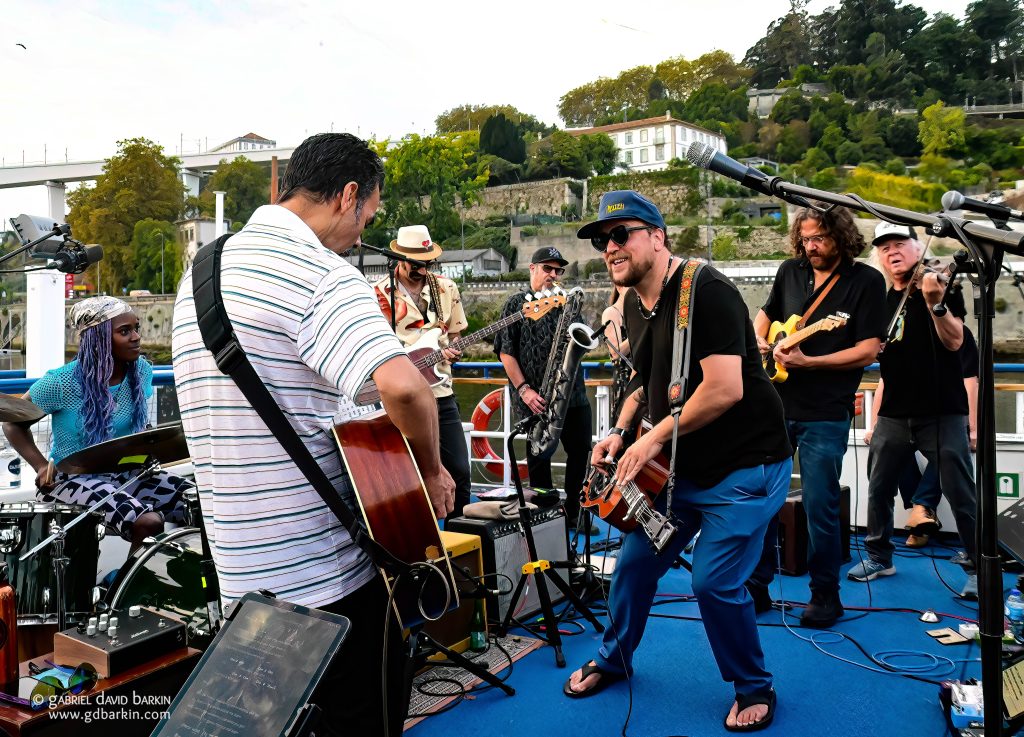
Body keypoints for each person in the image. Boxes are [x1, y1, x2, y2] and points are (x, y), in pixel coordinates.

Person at [172, 132, 455, 737]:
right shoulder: (321, 274)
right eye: (366, 216)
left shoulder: (200, 275)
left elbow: (280, 392)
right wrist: (431, 473)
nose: (360, 234)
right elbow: (406, 389)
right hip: (326, 580)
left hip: (241, 574)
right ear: (348, 195)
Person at [564, 190, 793, 732]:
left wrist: (652, 441)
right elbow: (645, 384)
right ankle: (614, 658)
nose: (610, 247)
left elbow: (725, 388)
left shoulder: (707, 290)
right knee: (633, 565)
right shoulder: (634, 306)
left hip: (746, 467)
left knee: (713, 583)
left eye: (621, 234)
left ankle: (753, 685)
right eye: (603, 241)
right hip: (683, 471)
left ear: (657, 236)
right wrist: (620, 432)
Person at [746, 204, 888, 628]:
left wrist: (810, 363)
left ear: (841, 237)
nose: (811, 247)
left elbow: (868, 349)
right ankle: (756, 586)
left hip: (825, 411)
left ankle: (825, 594)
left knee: (820, 505)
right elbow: (765, 316)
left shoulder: (866, 281)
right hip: (776, 405)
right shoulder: (789, 271)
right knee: (760, 500)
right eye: (805, 239)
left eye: (820, 238)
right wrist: (759, 340)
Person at [3, 296, 189, 559]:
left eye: (136, 328)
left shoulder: (141, 372)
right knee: (147, 522)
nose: (136, 337)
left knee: (199, 501)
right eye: (125, 331)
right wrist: (41, 466)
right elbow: (13, 421)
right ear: (98, 339)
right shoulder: (61, 382)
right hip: (71, 479)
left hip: (127, 473)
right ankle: (123, 584)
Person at [849, 223, 977, 599]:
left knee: (962, 494)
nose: (892, 251)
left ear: (918, 248)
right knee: (878, 489)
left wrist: (935, 303)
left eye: (900, 244)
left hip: (943, 412)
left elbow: (955, 342)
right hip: (894, 414)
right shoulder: (882, 301)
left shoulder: (942, 288)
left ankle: (976, 566)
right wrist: (875, 420)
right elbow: (884, 368)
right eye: (885, 247)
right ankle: (879, 556)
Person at [493, 246, 595, 534]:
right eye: (547, 268)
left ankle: (576, 514)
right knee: (539, 460)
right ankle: (547, 517)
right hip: (534, 399)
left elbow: (582, 339)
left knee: (581, 455)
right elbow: (505, 351)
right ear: (532, 269)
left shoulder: (566, 302)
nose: (553, 274)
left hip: (572, 394)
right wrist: (524, 390)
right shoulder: (516, 303)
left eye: (557, 270)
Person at [374, 224, 471, 519]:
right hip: (400, 397)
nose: (422, 269)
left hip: (440, 391)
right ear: (399, 259)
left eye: (427, 263)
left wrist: (455, 349)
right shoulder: (377, 293)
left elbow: (455, 333)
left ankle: (460, 536)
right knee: (406, 478)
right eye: (416, 264)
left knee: (460, 471)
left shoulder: (446, 288)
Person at [896, 324, 978, 548]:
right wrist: (875, 424)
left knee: (947, 451)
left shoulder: (959, 333)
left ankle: (921, 509)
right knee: (895, 450)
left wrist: (972, 428)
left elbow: (969, 380)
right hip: (909, 414)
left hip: (950, 414)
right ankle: (922, 513)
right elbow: (887, 380)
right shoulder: (904, 331)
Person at [602, 285, 631, 417]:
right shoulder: (611, 312)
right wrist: (641, 331)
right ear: (619, 287)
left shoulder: (638, 312)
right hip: (625, 381)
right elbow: (615, 353)